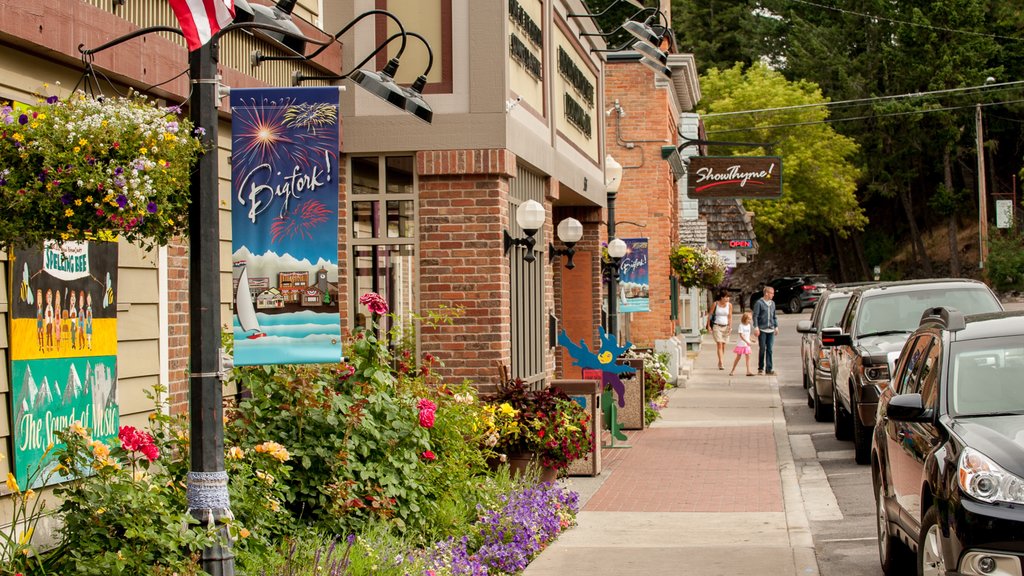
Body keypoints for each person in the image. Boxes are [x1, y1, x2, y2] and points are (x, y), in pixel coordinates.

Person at [753, 285, 780, 375]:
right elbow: (755, 316)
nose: (773, 295)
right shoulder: (759, 303)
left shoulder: (772, 303)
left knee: (770, 349)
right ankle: (760, 368)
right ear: (766, 293)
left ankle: (769, 368)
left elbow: (774, 316)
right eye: (772, 293)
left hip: (771, 329)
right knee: (762, 349)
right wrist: (756, 327)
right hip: (762, 329)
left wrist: (776, 326)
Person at [708, 290, 733, 370]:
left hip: (725, 327)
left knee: (723, 345)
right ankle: (721, 363)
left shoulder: (729, 305)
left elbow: (730, 317)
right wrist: (708, 326)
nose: (728, 299)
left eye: (728, 297)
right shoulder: (715, 304)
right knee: (719, 343)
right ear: (722, 297)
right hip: (717, 326)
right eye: (726, 297)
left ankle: (720, 360)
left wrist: (730, 327)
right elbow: (710, 315)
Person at [730, 311, 755, 376]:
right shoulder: (741, 325)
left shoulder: (749, 325)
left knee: (748, 357)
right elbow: (741, 336)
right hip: (741, 344)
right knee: (738, 357)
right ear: (745, 319)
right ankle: (732, 370)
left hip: (747, 344)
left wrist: (751, 339)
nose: (750, 320)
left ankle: (748, 371)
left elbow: (748, 334)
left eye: (750, 319)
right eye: (749, 319)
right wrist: (747, 341)